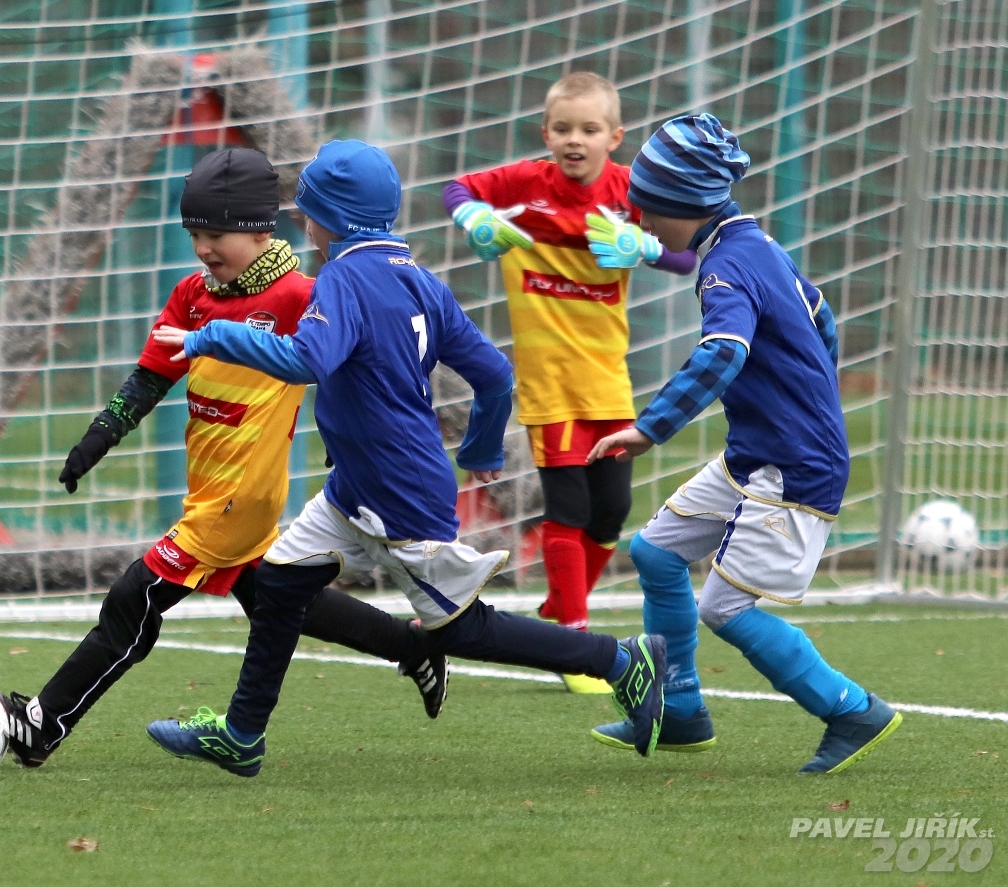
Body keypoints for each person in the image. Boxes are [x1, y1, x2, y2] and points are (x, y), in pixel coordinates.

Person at [143, 139, 666, 777]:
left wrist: (212, 336)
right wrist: (479, 447)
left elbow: (307, 360)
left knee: (460, 630)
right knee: (278, 581)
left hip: (397, 491)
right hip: (359, 484)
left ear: (329, 218)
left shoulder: (344, 277)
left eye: (307, 214)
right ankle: (242, 735)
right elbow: (495, 375)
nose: (303, 226)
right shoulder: (419, 280)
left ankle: (620, 661)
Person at [0, 148, 447, 769]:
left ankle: (43, 724)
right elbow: (152, 375)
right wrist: (100, 435)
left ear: (260, 231)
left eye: (216, 234)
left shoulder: (303, 296)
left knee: (134, 600)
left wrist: (367, 439)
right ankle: (412, 647)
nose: (203, 249)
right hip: (211, 491)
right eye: (195, 234)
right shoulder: (192, 295)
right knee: (283, 599)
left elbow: (357, 359)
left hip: (240, 499)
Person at [584, 114, 901, 774]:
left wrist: (649, 427)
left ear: (685, 203)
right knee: (656, 552)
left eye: (649, 208)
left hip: (793, 465)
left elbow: (723, 351)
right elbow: (820, 314)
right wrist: (808, 390)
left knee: (724, 607)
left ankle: (851, 709)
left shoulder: (724, 267)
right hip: (758, 452)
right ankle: (680, 710)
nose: (643, 221)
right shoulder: (756, 245)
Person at [444, 72, 697, 694]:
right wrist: (475, 218)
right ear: (546, 134)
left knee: (612, 512)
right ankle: (576, 643)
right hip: (549, 383)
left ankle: (563, 600)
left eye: (589, 129)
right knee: (569, 508)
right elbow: (457, 188)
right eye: (562, 129)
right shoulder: (525, 184)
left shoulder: (631, 191)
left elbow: (690, 253)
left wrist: (645, 248)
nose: (574, 140)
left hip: (607, 379)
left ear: (615, 137)